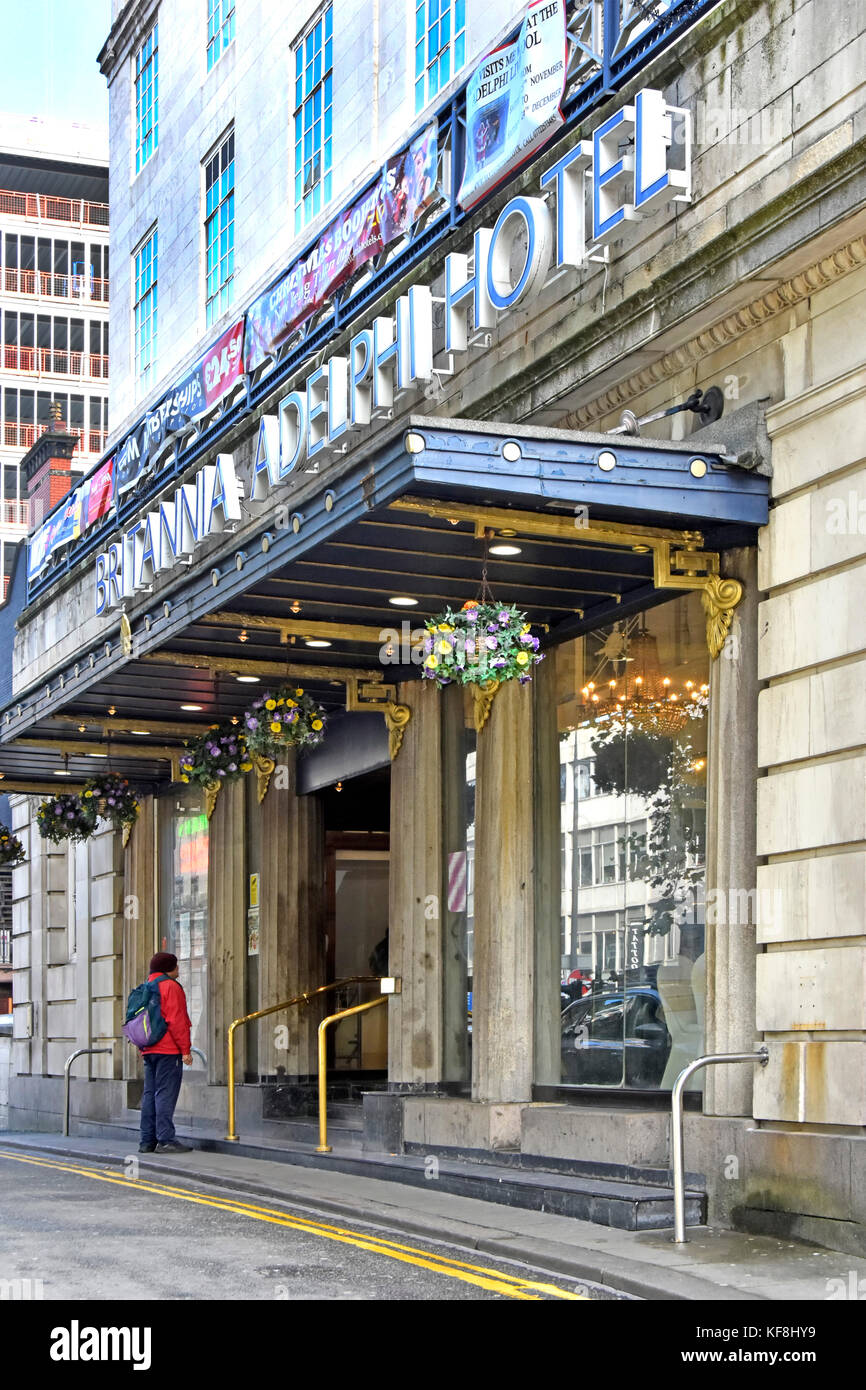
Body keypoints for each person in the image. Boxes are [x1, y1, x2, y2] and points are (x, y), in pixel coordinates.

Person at [139, 951, 194, 1155]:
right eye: (176, 966)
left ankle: (147, 1141)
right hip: (168, 1049)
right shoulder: (171, 987)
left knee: (149, 1094)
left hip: (149, 1048)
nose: (178, 969)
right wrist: (185, 1050)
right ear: (169, 968)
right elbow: (177, 1021)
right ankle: (166, 1139)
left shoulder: (147, 986)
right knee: (165, 1093)